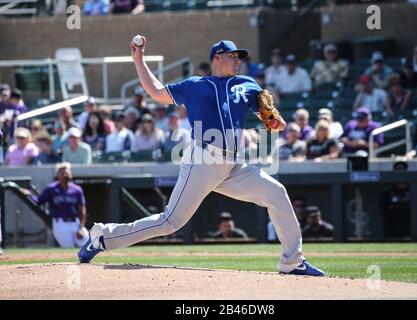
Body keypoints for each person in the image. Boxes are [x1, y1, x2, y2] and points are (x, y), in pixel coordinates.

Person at [78, 38, 325, 276]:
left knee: (277, 193)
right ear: (217, 58)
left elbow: (270, 120)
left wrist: (275, 121)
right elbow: (156, 91)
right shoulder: (195, 85)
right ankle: (103, 237)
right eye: (233, 56)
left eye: (239, 57)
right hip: (204, 160)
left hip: (234, 164)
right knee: (170, 222)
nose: (238, 60)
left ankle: (292, 261)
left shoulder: (247, 84)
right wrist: (138, 60)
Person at [27, 162, 89, 248]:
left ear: (71, 174)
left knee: (89, 246)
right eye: (62, 173)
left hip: (75, 222)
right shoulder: (51, 188)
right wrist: (29, 195)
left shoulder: (77, 189)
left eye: (67, 172)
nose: (65, 175)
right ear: (58, 176)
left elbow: (82, 209)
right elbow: (39, 201)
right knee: (69, 249)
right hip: (60, 223)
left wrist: (81, 228)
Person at [379, 161, 410, 238]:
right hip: (392, 226)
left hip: (409, 225)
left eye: (402, 169)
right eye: (398, 169)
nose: (400, 172)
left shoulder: (413, 189)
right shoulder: (387, 191)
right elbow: (383, 212)